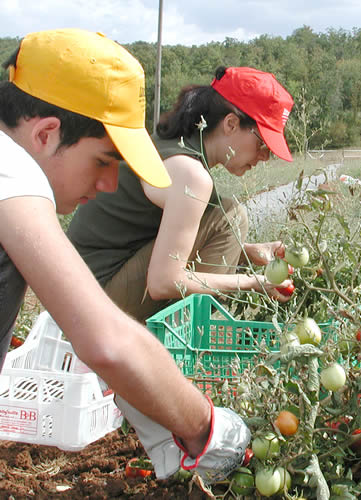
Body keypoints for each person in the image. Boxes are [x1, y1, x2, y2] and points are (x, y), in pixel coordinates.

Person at [0, 28, 249, 483]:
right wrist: (205, 427)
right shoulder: (11, 174)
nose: (109, 185)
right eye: (102, 161)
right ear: (46, 134)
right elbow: (106, 341)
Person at [67, 66, 295, 323]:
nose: (265, 156)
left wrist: (245, 252)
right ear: (231, 123)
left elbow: (170, 242)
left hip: (80, 289)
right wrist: (252, 282)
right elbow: (163, 281)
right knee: (230, 217)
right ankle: (182, 346)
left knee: (225, 217)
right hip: (94, 298)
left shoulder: (176, 146)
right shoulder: (190, 174)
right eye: (262, 142)